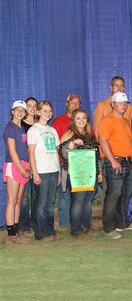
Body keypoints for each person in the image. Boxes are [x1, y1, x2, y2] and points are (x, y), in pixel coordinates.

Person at [98, 92, 132, 240]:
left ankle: (122, 223)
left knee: (126, 193)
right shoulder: (107, 120)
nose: (123, 105)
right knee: (113, 194)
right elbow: (103, 140)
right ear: (112, 104)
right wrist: (113, 160)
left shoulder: (126, 121)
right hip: (114, 161)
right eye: (120, 102)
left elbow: (127, 141)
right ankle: (108, 227)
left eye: (125, 102)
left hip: (126, 160)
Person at [58, 109, 102, 237]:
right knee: (78, 201)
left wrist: (99, 173)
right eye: (78, 118)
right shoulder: (69, 134)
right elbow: (62, 152)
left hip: (91, 173)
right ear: (73, 120)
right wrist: (71, 144)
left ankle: (87, 228)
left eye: (84, 118)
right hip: (76, 174)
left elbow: (97, 155)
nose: (81, 121)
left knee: (87, 201)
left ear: (87, 120)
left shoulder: (91, 135)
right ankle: (76, 230)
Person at [28, 101, 61, 241]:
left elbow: (56, 153)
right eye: (45, 110)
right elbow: (31, 154)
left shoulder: (53, 130)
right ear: (38, 112)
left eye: (50, 111)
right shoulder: (33, 130)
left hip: (53, 170)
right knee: (41, 203)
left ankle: (50, 230)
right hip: (41, 171)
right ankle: (40, 233)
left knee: (49, 203)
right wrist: (34, 172)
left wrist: (59, 172)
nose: (48, 113)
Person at [51, 93, 81, 230]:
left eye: (78, 102)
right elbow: (54, 146)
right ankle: (65, 223)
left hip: (81, 164)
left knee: (79, 195)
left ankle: (77, 222)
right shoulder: (58, 121)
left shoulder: (82, 120)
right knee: (64, 194)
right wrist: (57, 164)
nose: (75, 105)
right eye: (72, 102)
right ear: (67, 103)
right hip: (64, 163)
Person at [3, 100, 30, 240]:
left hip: (23, 165)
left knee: (18, 200)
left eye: (22, 110)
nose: (20, 112)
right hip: (14, 166)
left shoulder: (22, 129)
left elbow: (24, 150)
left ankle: (16, 226)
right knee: (12, 200)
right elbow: (13, 153)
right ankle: (11, 232)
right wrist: (22, 169)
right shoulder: (10, 128)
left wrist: (28, 166)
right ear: (12, 111)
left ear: (25, 114)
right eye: (17, 109)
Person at [18, 97, 38, 235]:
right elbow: (19, 148)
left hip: (38, 166)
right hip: (24, 166)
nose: (31, 108)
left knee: (37, 197)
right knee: (24, 198)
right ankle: (23, 226)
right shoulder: (20, 126)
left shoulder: (39, 125)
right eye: (29, 105)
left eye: (34, 106)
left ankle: (36, 224)